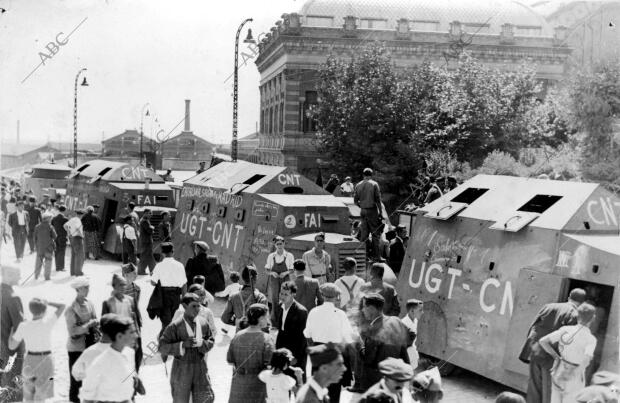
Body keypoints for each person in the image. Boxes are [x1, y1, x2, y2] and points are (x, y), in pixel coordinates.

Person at [519, 288, 586, 403]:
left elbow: (533, 327)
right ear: (582, 303)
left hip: (536, 351)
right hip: (552, 357)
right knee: (549, 392)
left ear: (569, 297)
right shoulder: (574, 314)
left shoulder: (549, 306)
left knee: (534, 388)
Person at [304, 283, 356, 402]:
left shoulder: (313, 312)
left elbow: (307, 334)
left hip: (318, 351)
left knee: (318, 386)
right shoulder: (340, 314)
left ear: (321, 295)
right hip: (334, 352)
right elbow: (348, 337)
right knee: (334, 387)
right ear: (336, 297)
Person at [159, 292, 216, 403]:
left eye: (198, 305)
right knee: (181, 398)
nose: (197, 309)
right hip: (182, 368)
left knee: (204, 397)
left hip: (200, 366)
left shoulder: (203, 323)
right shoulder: (175, 326)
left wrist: (202, 344)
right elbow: (162, 347)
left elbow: (211, 340)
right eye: (193, 306)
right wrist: (182, 344)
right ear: (184, 306)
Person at [8, 298, 65, 403]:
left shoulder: (23, 326)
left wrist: (11, 333)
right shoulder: (48, 322)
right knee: (41, 395)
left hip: (29, 360)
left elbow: (11, 346)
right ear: (44, 312)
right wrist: (49, 302)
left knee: (29, 395)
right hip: (46, 361)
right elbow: (62, 306)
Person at [539, 303, 597, 403]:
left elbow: (543, 341)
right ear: (593, 318)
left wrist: (556, 357)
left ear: (577, 315)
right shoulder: (591, 339)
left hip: (560, 369)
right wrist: (574, 373)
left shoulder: (566, 330)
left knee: (555, 400)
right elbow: (586, 359)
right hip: (575, 375)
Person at [358, 293, 411, 390]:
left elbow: (368, 359)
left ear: (372, 309)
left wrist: (360, 345)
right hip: (395, 378)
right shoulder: (396, 321)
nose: (362, 310)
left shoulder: (374, 329)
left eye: (364, 306)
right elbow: (407, 342)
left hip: (377, 383)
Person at [80, 315, 137, 403]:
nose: (136, 336)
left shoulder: (130, 353)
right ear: (119, 336)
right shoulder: (99, 363)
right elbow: (87, 398)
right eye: (131, 332)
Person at [227, 303, 274, 403]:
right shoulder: (267, 339)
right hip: (257, 383)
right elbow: (270, 365)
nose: (268, 320)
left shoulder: (237, 336)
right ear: (260, 319)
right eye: (266, 317)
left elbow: (230, 360)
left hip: (238, 383)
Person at [65, 276, 100, 403]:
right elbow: (72, 331)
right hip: (77, 347)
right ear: (78, 289)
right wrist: (88, 325)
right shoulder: (71, 309)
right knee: (76, 380)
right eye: (85, 288)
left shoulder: (90, 303)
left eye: (88, 287)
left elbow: (95, 319)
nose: (88, 290)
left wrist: (96, 324)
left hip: (90, 345)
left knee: (91, 377)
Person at [102, 273, 143, 373]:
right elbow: (104, 324)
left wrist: (137, 336)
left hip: (129, 335)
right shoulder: (108, 303)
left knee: (134, 360)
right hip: (117, 337)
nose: (123, 287)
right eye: (120, 285)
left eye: (124, 285)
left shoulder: (131, 300)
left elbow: (136, 318)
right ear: (114, 286)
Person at [151, 242, 186, 337]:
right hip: (175, 296)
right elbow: (184, 284)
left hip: (163, 296)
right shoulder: (180, 265)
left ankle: (162, 339)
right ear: (173, 252)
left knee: (165, 321)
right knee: (174, 319)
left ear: (162, 253)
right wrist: (184, 298)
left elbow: (153, 282)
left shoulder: (159, 266)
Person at [0, 265, 24, 402]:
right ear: (8, 275)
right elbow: (19, 327)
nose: (20, 277)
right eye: (17, 274)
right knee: (13, 388)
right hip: (11, 352)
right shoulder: (13, 297)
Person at [275, 282, 308, 377]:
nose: (282, 296)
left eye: (286, 294)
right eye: (281, 293)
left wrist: (295, 357)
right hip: (282, 350)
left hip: (296, 352)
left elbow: (302, 338)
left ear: (293, 294)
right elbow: (280, 331)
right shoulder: (279, 307)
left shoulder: (301, 311)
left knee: (297, 382)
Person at [222, 265, 268, 329]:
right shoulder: (261, 297)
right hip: (255, 335)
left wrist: (238, 322)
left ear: (243, 278)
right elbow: (264, 322)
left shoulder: (233, 297)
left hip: (239, 334)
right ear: (255, 278)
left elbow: (224, 318)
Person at [354, 168, 383, 260]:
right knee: (375, 234)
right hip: (372, 210)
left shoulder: (358, 185)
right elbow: (378, 200)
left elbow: (355, 201)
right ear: (371, 175)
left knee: (364, 234)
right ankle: (377, 256)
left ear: (363, 175)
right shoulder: (374, 184)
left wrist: (362, 206)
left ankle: (364, 256)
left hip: (363, 210)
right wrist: (380, 213)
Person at [266, 236, 294, 322]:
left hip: (285, 278)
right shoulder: (271, 256)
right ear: (275, 245)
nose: (279, 246)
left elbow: (292, 270)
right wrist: (272, 273)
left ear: (284, 244)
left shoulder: (289, 256)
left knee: (285, 297)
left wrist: (285, 273)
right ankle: (274, 320)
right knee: (274, 298)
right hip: (274, 279)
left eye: (281, 244)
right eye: (277, 244)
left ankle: (285, 319)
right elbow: (267, 270)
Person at [32, 212, 57, 281]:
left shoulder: (37, 226)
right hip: (48, 248)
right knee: (48, 262)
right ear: (48, 219)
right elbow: (55, 236)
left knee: (38, 262)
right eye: (50, 218)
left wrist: (36, 246)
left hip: (40, 248)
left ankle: (36, 276)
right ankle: (47, 277)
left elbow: (34, 238)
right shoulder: (50, 226)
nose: (51, 219)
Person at [401, 299, 423, 370]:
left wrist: (416, 356)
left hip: (412, 355)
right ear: (412, 311)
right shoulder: (404, 324)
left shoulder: (415, 320)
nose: (422, 312)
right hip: (405, 359)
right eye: (420, 310)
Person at [64, 209, 85, 277]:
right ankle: (78, 272)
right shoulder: (78, 220)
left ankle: (72, 272)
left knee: (73, 255)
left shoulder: (72, 219)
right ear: (81, 215)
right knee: (80, 256)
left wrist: (69, 233)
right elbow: (78, 228)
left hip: (72, 238)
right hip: (78, 238)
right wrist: (81, 235)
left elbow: (65, 226)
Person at [138, 209, 156, 275]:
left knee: (149, 256)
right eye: (149, 213)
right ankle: (141, 271)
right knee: (145, 256)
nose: (151, 214)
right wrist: (152, 228)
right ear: (145, 213)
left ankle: (153, 270)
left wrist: (151, 228)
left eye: (151, 213)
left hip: (145, 241)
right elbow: (149, 231)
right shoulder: (145, 221)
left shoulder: (144, 220)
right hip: (146, 241)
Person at [51, 205, 69, 271]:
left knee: (56, 251)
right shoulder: (66, 219)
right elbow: (68, 229)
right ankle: (61, 267)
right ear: (64, 210)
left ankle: (57, 266)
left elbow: (51, 227)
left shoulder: (54, 218)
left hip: (55, 237)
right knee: (62, 252)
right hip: (62, 237)